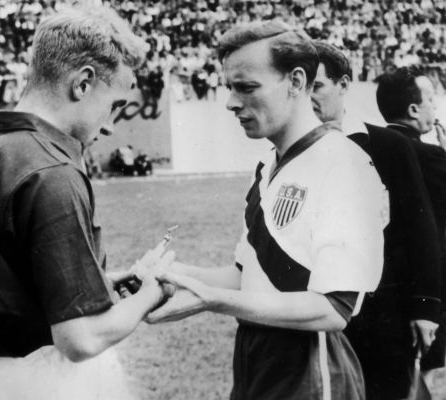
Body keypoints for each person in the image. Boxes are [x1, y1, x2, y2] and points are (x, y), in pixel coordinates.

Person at [0, 6, 173, 400]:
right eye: (115, 105)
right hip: (45, 382)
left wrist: (95, 283)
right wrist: (152, 293)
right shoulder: (53, 168)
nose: (111, 125)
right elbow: (81, 339)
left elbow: (0, 280)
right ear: (84, 83)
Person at [147, 21, 387, 400]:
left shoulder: (344, 164)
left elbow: (332, 309)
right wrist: (171, 274)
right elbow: (246, 276)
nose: (230, 102)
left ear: (295, 81)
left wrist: (214, 301)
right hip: (255, 358)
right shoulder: (268, 167)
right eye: (230, 87)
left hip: (310, 368)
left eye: (246, 87)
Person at [311, 42, 442, 400]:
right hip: (315, 314)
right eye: (300, 86)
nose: (308, 97)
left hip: (385, 313)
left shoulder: (388, 146)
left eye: (317, 85)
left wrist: (426, 306)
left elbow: (421, 229)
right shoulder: (291, 154)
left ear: (344, 84)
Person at [376, 66, 446, 386]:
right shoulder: (426, 154)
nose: (435, 107)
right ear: (414, 110)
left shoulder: (372, 145)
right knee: (418, 381)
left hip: (382, 285)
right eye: (430, 99)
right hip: (426, 286)